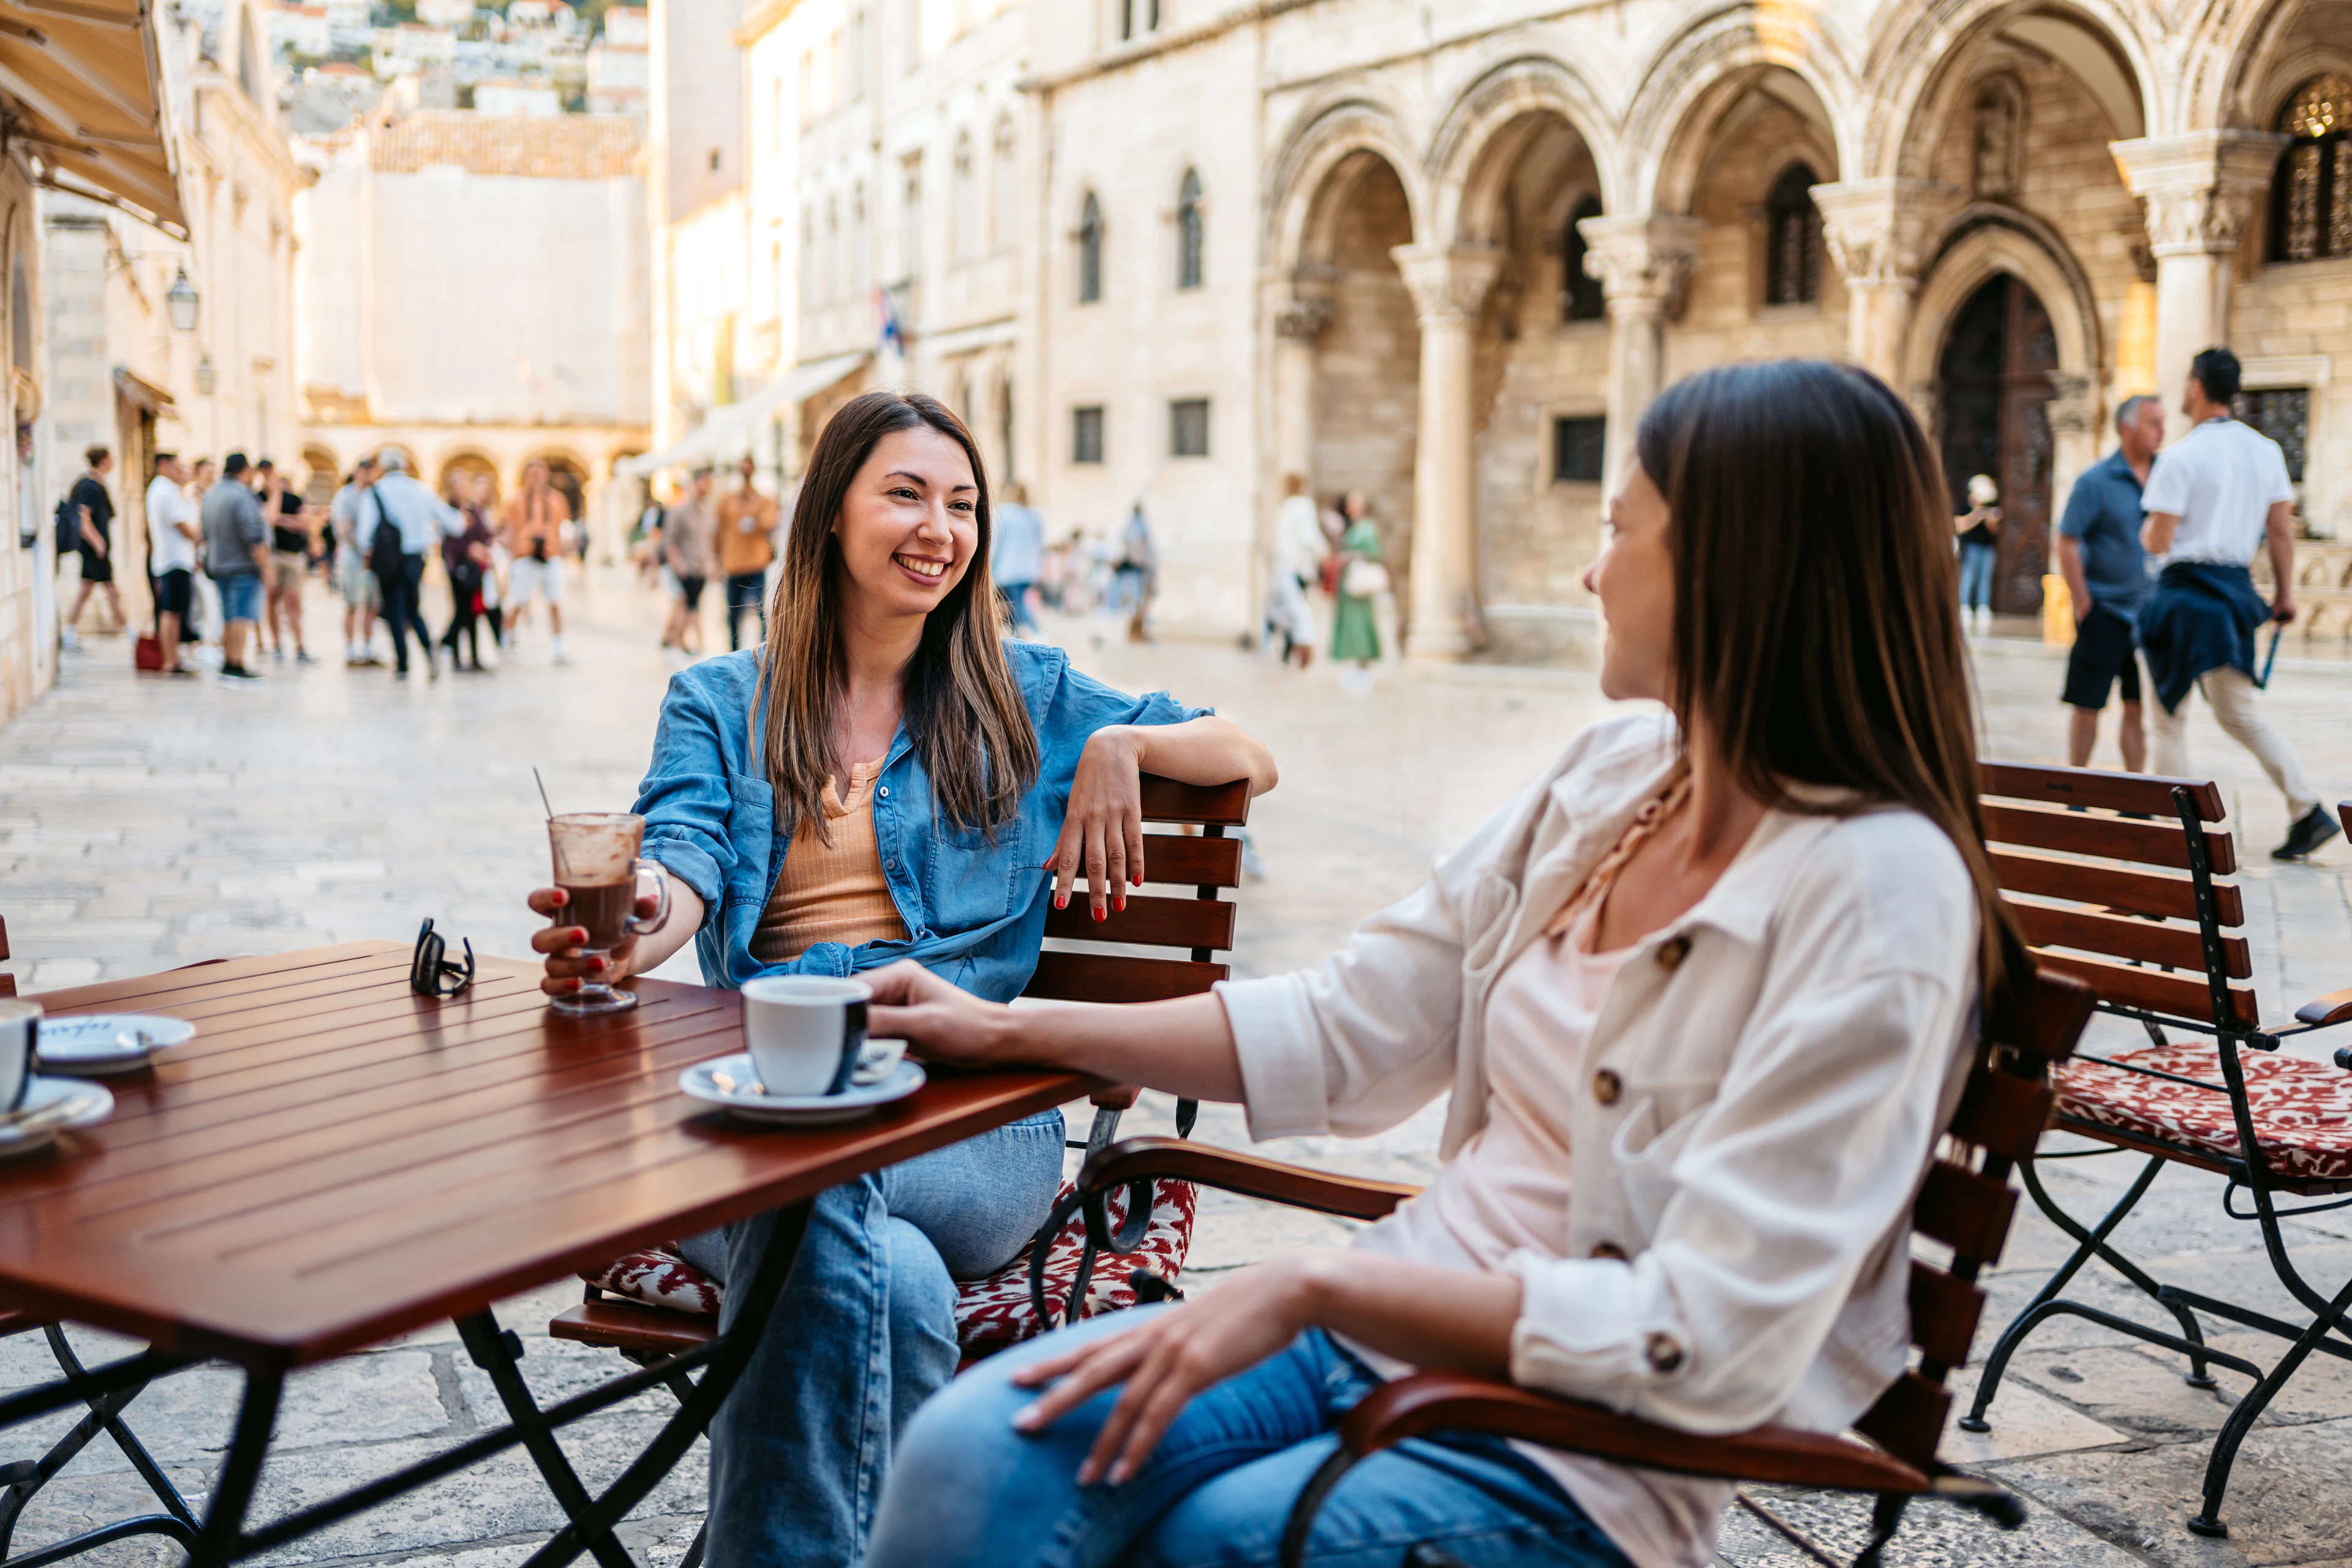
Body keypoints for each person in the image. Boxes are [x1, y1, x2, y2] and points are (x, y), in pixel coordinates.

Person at [859, 359, 2013, 1568]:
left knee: (1212, 1544)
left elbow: (1709, 1335)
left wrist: (1315, 1288)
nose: (1592, 572)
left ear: (1736, 567)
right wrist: (1004, 1031)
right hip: (1381, 1328)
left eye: (1620, 530)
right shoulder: (1617, 776)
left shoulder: (1879, 890)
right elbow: (1348, 1025)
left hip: (1582, 1453)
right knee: (970, 1454)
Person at [520, 391, 1277, 1568]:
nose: (940, 528)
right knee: (891, 1277)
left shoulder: (1025, 693)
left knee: (808, 1191)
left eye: (962, 504)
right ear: (832, 512)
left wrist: (1124, 743)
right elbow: (681, 861)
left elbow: (1246, 752)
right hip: (771, 1101)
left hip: (970, 1115)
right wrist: (633, 925)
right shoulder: (718, 701)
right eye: (907, 495)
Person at [2139, 346, 2341, 861]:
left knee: (2167, 718)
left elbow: (2159, 541)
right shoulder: (2266, 451)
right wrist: (2286, 595)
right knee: (2240, 715)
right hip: (2233, 595)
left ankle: (2177, 833)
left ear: (2196, 387)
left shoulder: (2180, 457)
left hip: (2182, 597)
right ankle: (2306, 809)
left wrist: (2144, 532)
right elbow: (2280, 531)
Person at [2056, 395, 2162, 771]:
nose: (2161, 431)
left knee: (2138, 708)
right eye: (2152, 423)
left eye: (2162, 422)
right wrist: (2083, 603)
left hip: (2150, 617)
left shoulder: (2167, 477)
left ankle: (2136, 792)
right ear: (2126, 429)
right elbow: (2067, 540)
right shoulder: (2095, 481)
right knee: (2088, 706)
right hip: (2105, 611)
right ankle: (2076, 787)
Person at [356, 448, 459, 680]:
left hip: (388, 558)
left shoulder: (376, 492)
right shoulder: (420, 490)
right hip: (416, 557)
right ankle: (428, 649)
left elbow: (364, 535)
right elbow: (453, 523)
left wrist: (367, 555)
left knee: (394, 608)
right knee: (413, 608)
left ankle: (403, 663)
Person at [200, 453, 270, 682]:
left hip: (218, 564)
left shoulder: (212, 494)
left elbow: (204, 530)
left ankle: (229, 661)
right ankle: (236, 662)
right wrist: (265, 567)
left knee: (228, 616)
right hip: (241, 566)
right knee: (240, 616)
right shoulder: (242, 495)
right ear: (245, 471)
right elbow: (253, 534)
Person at [501, 459, 571, 663]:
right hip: (525, 557)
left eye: (540, 472)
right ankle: (507, 642)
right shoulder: (516, 500)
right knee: (517, 602)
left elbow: (565, 527)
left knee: (555, 602)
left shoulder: (556, 499)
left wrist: (564, 545)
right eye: (533, 473)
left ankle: (559, 649)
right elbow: (508, 529)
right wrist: (513, 552)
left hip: (550, 556)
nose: (537, 477)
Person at [145, 452, 201, 677]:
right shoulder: (165, 490)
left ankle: (173, 658)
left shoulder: (165, 490)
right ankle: (170, 660)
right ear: (164, 465)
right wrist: (199, 536)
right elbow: (183, 526)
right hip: (174, 559)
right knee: (171, 611)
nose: (180, 472)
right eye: (177, 467)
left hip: (172, 559)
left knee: (173, 611)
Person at [62, 446, 124, 647]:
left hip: (94, 548)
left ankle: (69, 631)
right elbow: (84, 517)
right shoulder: (90, 486)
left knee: (86, 589)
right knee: (112, 591)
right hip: (94, 548)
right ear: (104, 461)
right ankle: (129, 631)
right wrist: (98, 542)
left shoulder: (96, 484)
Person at [718, 454, 780, 651]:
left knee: (760, 612)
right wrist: (716, 560)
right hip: (734, 564)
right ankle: (733, 652)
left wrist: (753, 515)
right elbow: (719, 530)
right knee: (733, 614)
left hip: (756, 563)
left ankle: (763, 652)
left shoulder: (763, 500)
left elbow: (770, 523)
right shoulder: (727, 500)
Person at [440, 472, 498, 672]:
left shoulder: (473, 510)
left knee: (472, 612)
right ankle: (455, 653)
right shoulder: (448, 510)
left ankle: (473, 656)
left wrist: (482, 548)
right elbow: (451, 540)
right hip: (457, 567)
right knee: (461, 611)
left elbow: (483, 534)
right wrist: (468, 550)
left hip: (474, 568)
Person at [1265, 472, 1323, 670]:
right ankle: (1304, 650)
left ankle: (1288, 651)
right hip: (1298, 565)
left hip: (1284, 564)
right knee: (1299, 608)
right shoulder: (1302, 505)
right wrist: (1323, 552)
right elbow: (1309, 537)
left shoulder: (1285, 508)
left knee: (1287, 608)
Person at [661, 468, 718, 656]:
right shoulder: (680, 511)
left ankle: (672, 640)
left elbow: (708, 542)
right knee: (685, 605)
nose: (708, 487)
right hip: (685, 569)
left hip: (699, 569)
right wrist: (678, 565)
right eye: (705, 483)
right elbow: (669, 541)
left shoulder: (706, 512)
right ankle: (681, 643)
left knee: (689, 607)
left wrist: (711, 564)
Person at [331, 458, 383, 666]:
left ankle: (368, 648)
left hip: (374, 561)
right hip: (353, 560)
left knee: (372, 605)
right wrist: (363, 551)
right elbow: (345, 528)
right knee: (352, 604)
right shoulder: (346, 496)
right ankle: (351, 649)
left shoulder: (376, 495)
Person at [263, 464, 315, 664]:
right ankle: (277, 644)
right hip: (274, 556)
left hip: (293, 556)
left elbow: (303, 522)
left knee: (293, 601)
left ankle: (300, 645)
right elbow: (269, 519)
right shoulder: (261, 497)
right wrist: (287, 520)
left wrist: (280, 520)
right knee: (272, 600)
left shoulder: (295, 498)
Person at [1330, 489, 1382, 685]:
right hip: (1348, 584)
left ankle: (1363, 664)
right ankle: (1356, 665)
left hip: (1358, 583)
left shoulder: (1367, 528)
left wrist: (1348, 557)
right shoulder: (1352, 527)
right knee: (1351, 625)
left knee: (1360, 624)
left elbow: (1373, 553)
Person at [991, 481, 1045, 636]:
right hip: (1029, 570)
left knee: (1015, 605)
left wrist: (989, 566)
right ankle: (1017, 635)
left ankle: (1036, 633)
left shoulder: (1004, 512)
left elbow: (995, 543)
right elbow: (1039, 544)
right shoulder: (1035, 516)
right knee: (1016, 604)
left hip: (1008, 570)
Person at [1953, 473, 2000, 631]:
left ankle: (1983, 607)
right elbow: (1959, 526)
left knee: (1985, 578)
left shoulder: (1991, 506)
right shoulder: (1966, 507)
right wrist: (1977, 515)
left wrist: (1990, 520)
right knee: (1968, 578)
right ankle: (1964, 606)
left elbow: (1994, 531)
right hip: (1971, 547)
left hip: (1987, 547)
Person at [1116, 502, 1155, 643]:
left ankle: (1137, 633)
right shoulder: (1135, 529)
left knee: (1140, 604)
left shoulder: (1135, 527)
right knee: (1134, 604)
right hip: (1135, 571)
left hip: (1140, 571)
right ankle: (1134, 634)